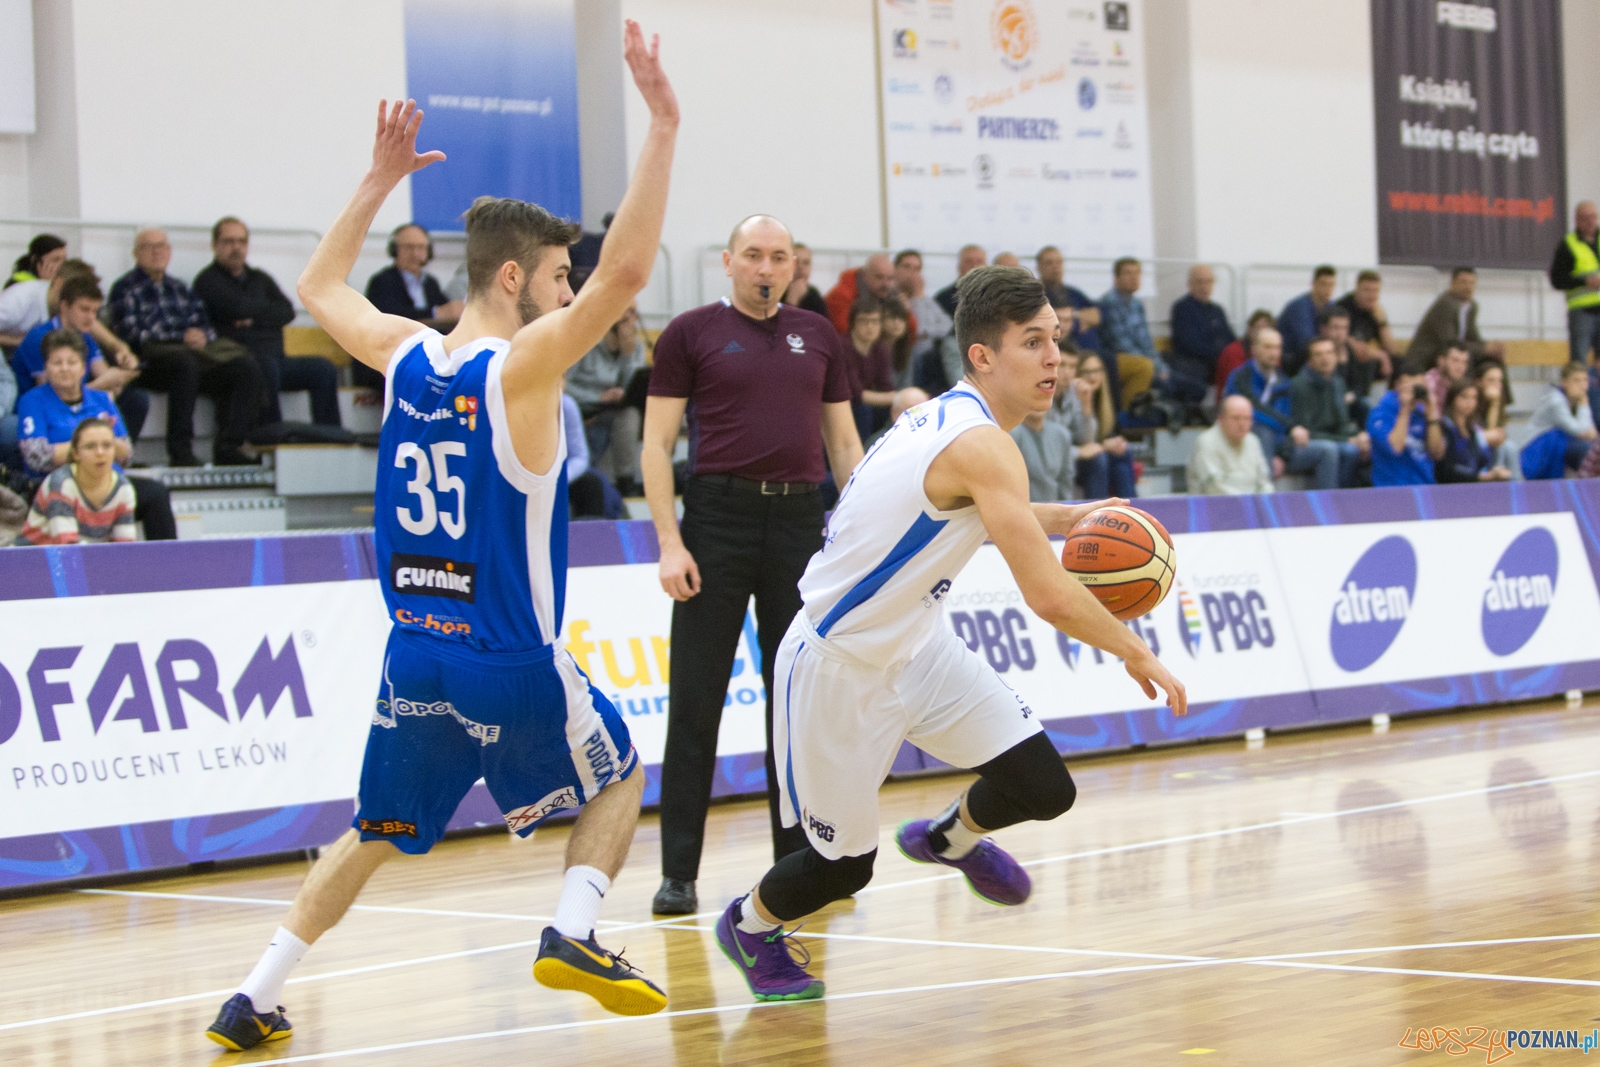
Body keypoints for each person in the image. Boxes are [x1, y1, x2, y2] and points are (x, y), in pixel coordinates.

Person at [204, 29, 680, 1052]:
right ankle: (573, 929)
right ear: (514, 278)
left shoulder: (407, 356)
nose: (569, 293)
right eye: (558, 276)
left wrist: (378, 179)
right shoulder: (523, 371)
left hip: (415, 647)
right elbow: (630, 271)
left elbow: (320, 289)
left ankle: (254, 992)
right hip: (508, 656)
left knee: (375, 827)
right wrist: (664, 125)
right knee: (622, 769)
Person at [713, 265, 1186, 1002]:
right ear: (983, 356)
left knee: (1043, 786)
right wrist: (1135, 648)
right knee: (842, 870)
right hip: (839, 667)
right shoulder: (982, 444)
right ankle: (748, 924)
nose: (1054, 358)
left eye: (1056, 339)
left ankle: (947, 837)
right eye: (1034, 342)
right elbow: (1051, 596)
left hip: (918, 647)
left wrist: (1066, 519)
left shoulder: (955, 422)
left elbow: (981, 511)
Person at [642, 213, 864, 917]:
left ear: (793, 265)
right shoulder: (691, 333)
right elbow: (655, 446)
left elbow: (846, 447)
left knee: (796, 703)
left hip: (800, 524)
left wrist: (862, 535)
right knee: (696, 699)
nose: (767, 268)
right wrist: (670, 541)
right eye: (753, 256)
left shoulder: (819, 334)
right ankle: (679, 871)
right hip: (716, 522)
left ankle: (795, 867)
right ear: (729, 262)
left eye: (779, 257)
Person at [108, 229, 265, 467]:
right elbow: (132, 335)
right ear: (136, 253)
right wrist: (182, 337)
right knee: (186, 363)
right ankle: (180, 451)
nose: (157, 252)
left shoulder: (180, 288)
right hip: (149, 365)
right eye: (149, 247)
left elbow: (206, 326)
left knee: (245, 367)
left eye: (162, 246)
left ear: (169, 252)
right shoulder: (125, 288)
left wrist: (201, 336)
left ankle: (230, 446)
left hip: (189, 361)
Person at [16, 328, 176, 539]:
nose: (65, 369)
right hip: (57, 488)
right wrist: (96, 443)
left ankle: (166, 569)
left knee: (155, 494)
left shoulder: (101, 400)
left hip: (106, 485)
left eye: (72, 362)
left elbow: (125, 453)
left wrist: (87, 448)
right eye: (57, 363)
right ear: (46, 367)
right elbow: (37, 455)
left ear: (83, 368)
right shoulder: (32, 400)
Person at [194, 217, 342, 428]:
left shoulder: (259, 278)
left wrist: (252, 319)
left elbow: (286, 311)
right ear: (214, 245)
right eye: (229, 241)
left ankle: (331, 437)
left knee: (323, 369)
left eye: (241, 241)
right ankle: (272, 436)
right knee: (264, 368)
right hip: (242, 360)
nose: (236, 247)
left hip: (278, 359)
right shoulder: (207, 281)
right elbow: (236, 308)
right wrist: (263, 312)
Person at [12, 274, 148, 438]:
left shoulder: (86, 337)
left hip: (77, 400)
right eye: (84, 309)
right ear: (64, 306)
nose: (91, 317)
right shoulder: (39, 337)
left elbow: (107, 380)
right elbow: (51, 391)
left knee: (136, 400)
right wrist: (101, 386)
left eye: (95, 311)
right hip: (40, 407)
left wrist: (123, 372)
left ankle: (113, 456)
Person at [1100, 257, 1206, 410]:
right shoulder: (1109, 303)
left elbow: (1147, 343)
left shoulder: (1137, 304)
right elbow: (1122, 344)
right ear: (1116, 278)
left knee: (1197, 389)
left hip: (1150, 363)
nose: (1134, 278)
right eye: (1128, 273)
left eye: (1137, 273)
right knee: (1167, 388)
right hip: (1126, 364)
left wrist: (1160, 367)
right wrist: (1156, 369)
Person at [14, 417, 138, 546]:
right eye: (90, 446)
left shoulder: (124, 488)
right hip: (31, 562)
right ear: (75, 453)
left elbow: (125, 550)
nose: (100, 453)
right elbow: (67, 548)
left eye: (107, 445)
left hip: (86, 561)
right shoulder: (60, 484)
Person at [566, 304, 645, 494]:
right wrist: (598, 396)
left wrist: (627, 356)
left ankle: (626, 481)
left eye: (632, 312)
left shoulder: (636, 346)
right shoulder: (585, 342)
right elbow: (563, 383)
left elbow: (631, 386)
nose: (628, 318)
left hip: (614, 408)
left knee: (631, 414)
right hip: (582, 405)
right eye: (623, 309)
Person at [1285, 337, 1368, 489]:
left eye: (1329, 353)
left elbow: (1342, 422)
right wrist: (1345, 439)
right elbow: (1306, 431)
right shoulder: (1299, 385)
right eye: (1318, 354)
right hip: (1301, 444)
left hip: (1331, 440)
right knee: (1330, 449)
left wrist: (1358, 436)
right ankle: (1328, 502)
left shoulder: (1338, 383)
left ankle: (1344, 498)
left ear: (1336, 357)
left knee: (1352, 450)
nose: (1325, 359)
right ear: (1309, 361)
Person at [1407, 267, 1506, 372]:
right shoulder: (1445, 304)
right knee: (1462, 360)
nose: (1468, 287)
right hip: (1429, 360)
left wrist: (1490, 347)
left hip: (1454, 356)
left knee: (1495, 360)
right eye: (1463, 282)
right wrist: (1483, 349)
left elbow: (1472, 337)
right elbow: (1450, 342)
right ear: (1452, 283)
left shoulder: (1471, 307)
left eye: (1472, 283)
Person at [1366, 358, 1446, 487]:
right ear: (1397, 385)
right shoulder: (1381, 412)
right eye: (1410, 388)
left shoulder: (1423, 413)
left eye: (1419, 387)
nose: (1414, 394)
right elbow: (1395, 447)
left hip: (1424, 486)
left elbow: (1437, 453)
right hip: (1392, 488)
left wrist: (1432, 415)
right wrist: (1404, 410)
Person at [1224, 326, 1292, 475]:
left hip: (1276, 442)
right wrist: (1284, 425)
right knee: (1263, 432)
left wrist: (1280, 455)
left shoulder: (1283, 382)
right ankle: (1265, 495)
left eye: (1277, 348)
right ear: (1254, 349)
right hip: (1242, 436)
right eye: (1268, 347)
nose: (1274, 353)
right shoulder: (1240, 377)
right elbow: (1249, 415)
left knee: (1326, 451)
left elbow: (1286, 419)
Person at [1073, 352, 1136, 498]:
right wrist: (1086, 404)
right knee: (1099, 459)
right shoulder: (1074, 399)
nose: (1093, 376)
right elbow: (1085, 442)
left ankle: (1132, 510)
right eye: (1086, 372)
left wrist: (1113, 443)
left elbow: (1101, 438)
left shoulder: (1104, 402)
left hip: (1094, 454)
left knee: (1122, 463)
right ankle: (1097, 513)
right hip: (1075, 459)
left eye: (1097, 371)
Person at [1187, 395, 1273, 495]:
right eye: (1236, 418)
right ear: (1221, 419)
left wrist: (1267, 500)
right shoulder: (1206, 442)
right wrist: (1246, 503)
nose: (1242, 424)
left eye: (1247, 418)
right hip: (1213, 507)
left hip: (1250, 506)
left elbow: (1264, 482)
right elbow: (1214, 488)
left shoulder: (1253, 441)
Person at [1549, 200, 1600, 366]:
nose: (1591, 221)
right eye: (1586, 218)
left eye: (1593, 217)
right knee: (1579, 361)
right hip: (1581, 312)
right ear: (1577, 220)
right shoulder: (1568, 245)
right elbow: (1557, 279)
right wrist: (1584, 281)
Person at [1525, 362, 1597, 473]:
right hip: (1536, 451)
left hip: (1556, 449)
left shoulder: (1577, 400)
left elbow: (1592, 433)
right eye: (1576, 380)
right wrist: (1584, 405)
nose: (1583, 386)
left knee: (1593, 449)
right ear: (1564, 382)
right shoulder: (1555, 400)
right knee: (1583, 449)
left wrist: (1587, 433)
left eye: (1585, 380)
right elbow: (1578, 430)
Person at [1169, 264, 1234, 385]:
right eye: (1199, 282)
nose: (1204, 286)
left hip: (1217, 359)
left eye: (1208, 282)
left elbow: (1229, 337)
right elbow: (1189, 344)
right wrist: (1220, 353)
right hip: (1193, 361)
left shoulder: (1217, 310)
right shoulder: (1182, 308)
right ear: (1190, 284)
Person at [1436, 379, 1511, 483]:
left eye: (1474, 397)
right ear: (1452, 398)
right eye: (1464, 396)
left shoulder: (1472, 430)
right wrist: (1480, 477)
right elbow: (1445, 471)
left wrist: (1493, 471)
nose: (1469, 402)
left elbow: (1480, 463)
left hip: (1474, 486)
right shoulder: (1445, 427)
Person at [825, 252, 912, 337]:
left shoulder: (892, 294)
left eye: (890, 278)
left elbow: (910, 335)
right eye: (879, 277)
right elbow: (845, 333)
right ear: (865, 276)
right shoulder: (841, 296)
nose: (885, 284)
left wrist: (905, 312)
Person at [1335, 270, 1398, 381]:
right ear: (1357, 289)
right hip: (1346, 357)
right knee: (1368, 363)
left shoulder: (1376, 311)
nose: (1372, 296)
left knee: (1399, 362)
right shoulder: (1343, 308)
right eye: (1367, 290)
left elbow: (1391, 349)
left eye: (1375, 291)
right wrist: (1381, 356)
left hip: (1371, 357)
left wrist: (1382, 322)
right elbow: (1351, 345)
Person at [1316, 306, 1375, 425]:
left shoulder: (1350, 351)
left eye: (1344, 328)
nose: (1340, 333)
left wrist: (1352, 395)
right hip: (1321, 402)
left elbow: (1360, 384)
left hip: (1348, 401)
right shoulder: (1315, 350)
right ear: (1323, 329)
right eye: (1335, 328)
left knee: (1367, 404)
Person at [1036, 245, 1101, 354]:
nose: (1055, 267)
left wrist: (1073, 315)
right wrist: (1080, 321)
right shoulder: (1034, 294)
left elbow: (1096, 316)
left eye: (1058, 262)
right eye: (1049, 263)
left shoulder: (1073, 293)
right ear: (1039, 267)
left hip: (1088, 352)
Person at [894, 249, 953, 365]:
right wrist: (917, 298)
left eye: (916, 269)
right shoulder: (892, 298)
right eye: (907, 267)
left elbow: (948, 326)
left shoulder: (925, 300)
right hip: (905, 355)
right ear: (895, 269)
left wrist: (927, 332)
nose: (912, 273)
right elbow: (916, 331)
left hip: (929, 357)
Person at [1011, 406, 1076, 502]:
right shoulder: (1011, 435)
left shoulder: (1061, 435)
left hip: (1056, 508)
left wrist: (1066, 509)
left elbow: (1066, 479)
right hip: (1024, 509)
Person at [1277, 265, 1338, 364]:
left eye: (1331, 285)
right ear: (1313, 284)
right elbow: (1307, 342)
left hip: (1314, 355)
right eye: (1323, 284)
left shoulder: (1331, 306)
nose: (1328, 289)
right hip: (1291, 358)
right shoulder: (1299, 307)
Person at [1215, 309, 1274, 396]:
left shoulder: (1273, 352)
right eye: (1258, 328)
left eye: (1266, 330)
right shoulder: (1234, 351)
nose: (1262, 333)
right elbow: (1237, 385)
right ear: (1249, 329)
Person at [1475, 361, 1520, 474]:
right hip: (1475, 450)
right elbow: (1490, 436)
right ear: (1479, 382)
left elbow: (1497, 435)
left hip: (1493, 448)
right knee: (1507, 448)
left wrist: (1495, 404)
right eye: (1491, 380)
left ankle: (1516, 486)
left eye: (1499, 381)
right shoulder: (1471, 401)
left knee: (1508, 448)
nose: (1496, 384)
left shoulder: (1499, 401)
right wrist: (1494, 404)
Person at [934, 243, 986, 316]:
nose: (974, 266)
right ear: (959, 266)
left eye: (979, 262)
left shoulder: (996, 298)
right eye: (969, 261)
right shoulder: (943, 299)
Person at [782, 242, 828, 317]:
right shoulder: (774, 293)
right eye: (795, 262)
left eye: (806, 263)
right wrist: (791, 301)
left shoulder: (814, 294)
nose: (801, 267)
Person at [1423, 343, 1471, 413]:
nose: (1460, 367)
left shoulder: (1463, 384)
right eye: (1455, 360)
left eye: (1464, 362)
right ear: (1441, 360)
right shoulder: (1429, 382)